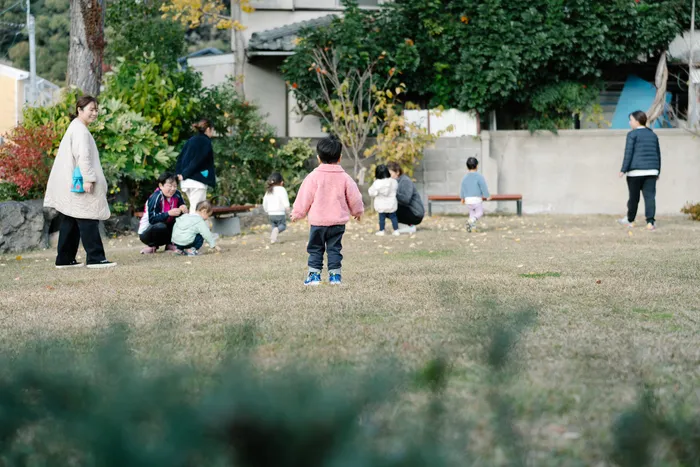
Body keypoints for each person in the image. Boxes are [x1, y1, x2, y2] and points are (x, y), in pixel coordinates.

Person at [44, 95, 116, 269]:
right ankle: (96, 258)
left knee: (70, 219)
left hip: (71, 183)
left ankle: (64, 259)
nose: (94, 113)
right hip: (80, 183)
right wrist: (89, 179)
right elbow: (83, 157)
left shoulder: (76, 127)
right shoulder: (80, 131)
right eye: (91, 109)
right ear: (80, 110)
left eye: (96, 109)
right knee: (88, 217)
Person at [291, 136, 364, 286]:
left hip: (318, 223)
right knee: (334, 249)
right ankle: (335, 277)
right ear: (340, 158)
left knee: (315, 248)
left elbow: (304, 196)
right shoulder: (345, 178)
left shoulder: (313, 177)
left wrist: (298, 213)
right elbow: (355, 197)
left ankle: (314, 276)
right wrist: (357, 211)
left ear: (318, 158)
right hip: (337, 223)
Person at [618, 110, 661, 231]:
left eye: (631, 120)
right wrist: (657, 171)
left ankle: (630, 220)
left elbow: (628, 153)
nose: (629, 122)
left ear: (637, 121)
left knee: (633, 198)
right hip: (651, 172)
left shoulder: (632, 134)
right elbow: (658, 154)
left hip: (635, 172)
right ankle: (650, 222)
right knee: (650, 197)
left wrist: (623, 170)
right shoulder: (653, 134)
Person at [138, 172, 188, 254]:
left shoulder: (177, 194)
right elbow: (152, 219)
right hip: (147, 232)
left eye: (175, 186)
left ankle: (170, 244)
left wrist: (183, 208)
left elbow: (182, 209)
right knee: (160, 226)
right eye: (170, 186)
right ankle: (152, 245)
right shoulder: (156, 197)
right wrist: (168, 213)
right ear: (161, 186)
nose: (172, 189)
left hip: (166, 229)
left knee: (181, 221)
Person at [176, 118, 216, 212]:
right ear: (208, 129)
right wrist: (185, 174)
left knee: (194, 208)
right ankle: (192, 227)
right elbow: (198, 160)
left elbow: (180, 158)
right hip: (197, 181)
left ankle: (196, 226)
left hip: (186, 181)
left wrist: (179, 174)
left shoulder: (191, 140)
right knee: (197, 210)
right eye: (213, 130)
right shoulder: (205, 141)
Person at [387, 161, 424, 234]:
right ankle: (404, 227)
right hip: (409, 211)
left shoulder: (405, 181)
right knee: (384, 207)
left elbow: (405, 200)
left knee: (388, 208)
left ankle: (409, 226)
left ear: (397, 172)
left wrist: (393, 192)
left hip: (415, 214)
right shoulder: (395, 182)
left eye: (390, 174)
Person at [460, 157, 491, 232]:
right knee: (479, 213)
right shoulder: (479, 177)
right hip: (476, 199)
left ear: (467, 167)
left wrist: (462, 198)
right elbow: (483, 187)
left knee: (472, 213)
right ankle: (472, 221)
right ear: (477, 166)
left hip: (468, 200)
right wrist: (487, 196)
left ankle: (472, 228)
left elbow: (462, 188)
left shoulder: (465, 177)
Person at [368, 164, 400, 236]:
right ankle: (396, 230)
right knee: (393, 217)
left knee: (381, 218)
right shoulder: (393, 181)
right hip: (391, 203)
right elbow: (396, 188)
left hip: (381, 204)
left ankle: (382, 230)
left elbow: (371, 192)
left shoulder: (377, 183)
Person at [262, 172, 291, 244]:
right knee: (282, 226)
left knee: (274, 226)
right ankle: (276, 232)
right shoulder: (282, 189)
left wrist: (266, 210)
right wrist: (288, 211)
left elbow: (265, 202)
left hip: (271, 213)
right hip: (279, 213)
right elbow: (285, 202)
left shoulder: (269, 190)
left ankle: (273, 239)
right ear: (281, 182)